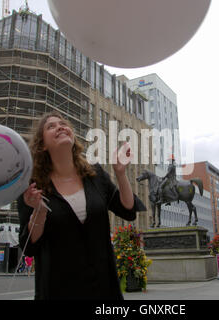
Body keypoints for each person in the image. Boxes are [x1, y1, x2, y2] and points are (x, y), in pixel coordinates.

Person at [17, 111, 146, 300]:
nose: (60, 126)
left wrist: (120, 173)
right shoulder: (33, 187)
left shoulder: (95, 175)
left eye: (63, 123)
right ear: (42, 145)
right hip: (58, 290)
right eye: (51, 126)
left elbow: (127, 210)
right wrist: (39, 211)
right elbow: (29, 246)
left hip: (103, 287)